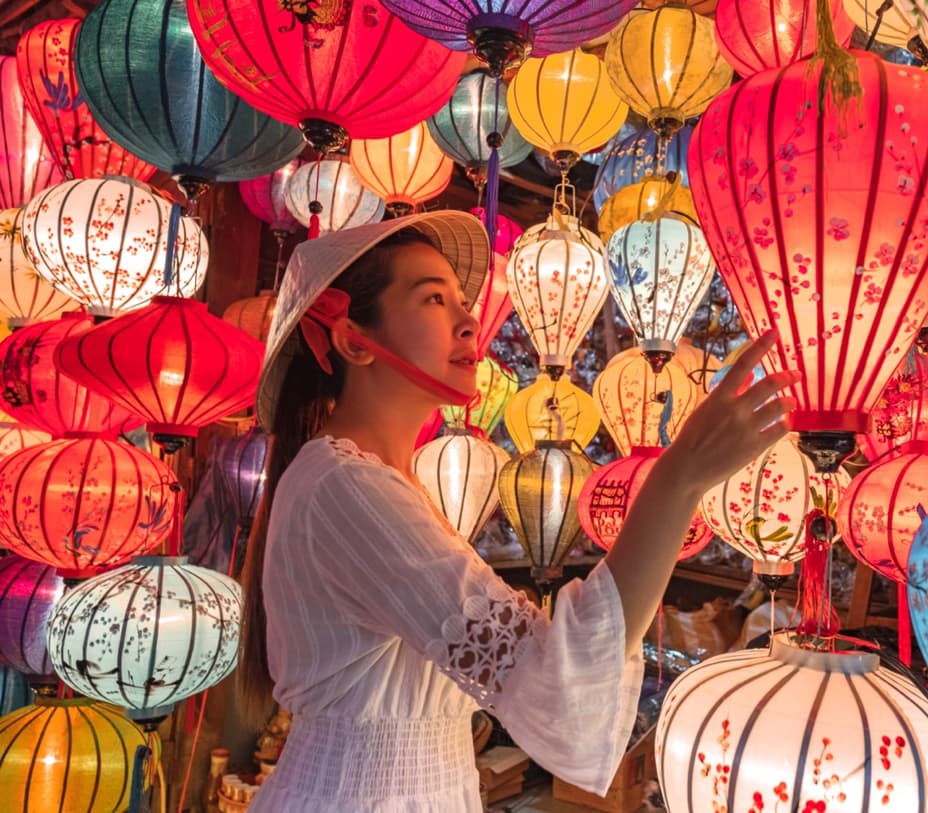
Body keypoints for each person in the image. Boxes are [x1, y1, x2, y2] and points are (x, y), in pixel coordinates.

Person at [239, 211, 798, 812]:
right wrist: (678, 478)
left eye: (460, 299)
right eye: (433, 299)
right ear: (353, 339)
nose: (469, 320)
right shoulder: (346, 487)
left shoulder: (372, 481)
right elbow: (549, 673)